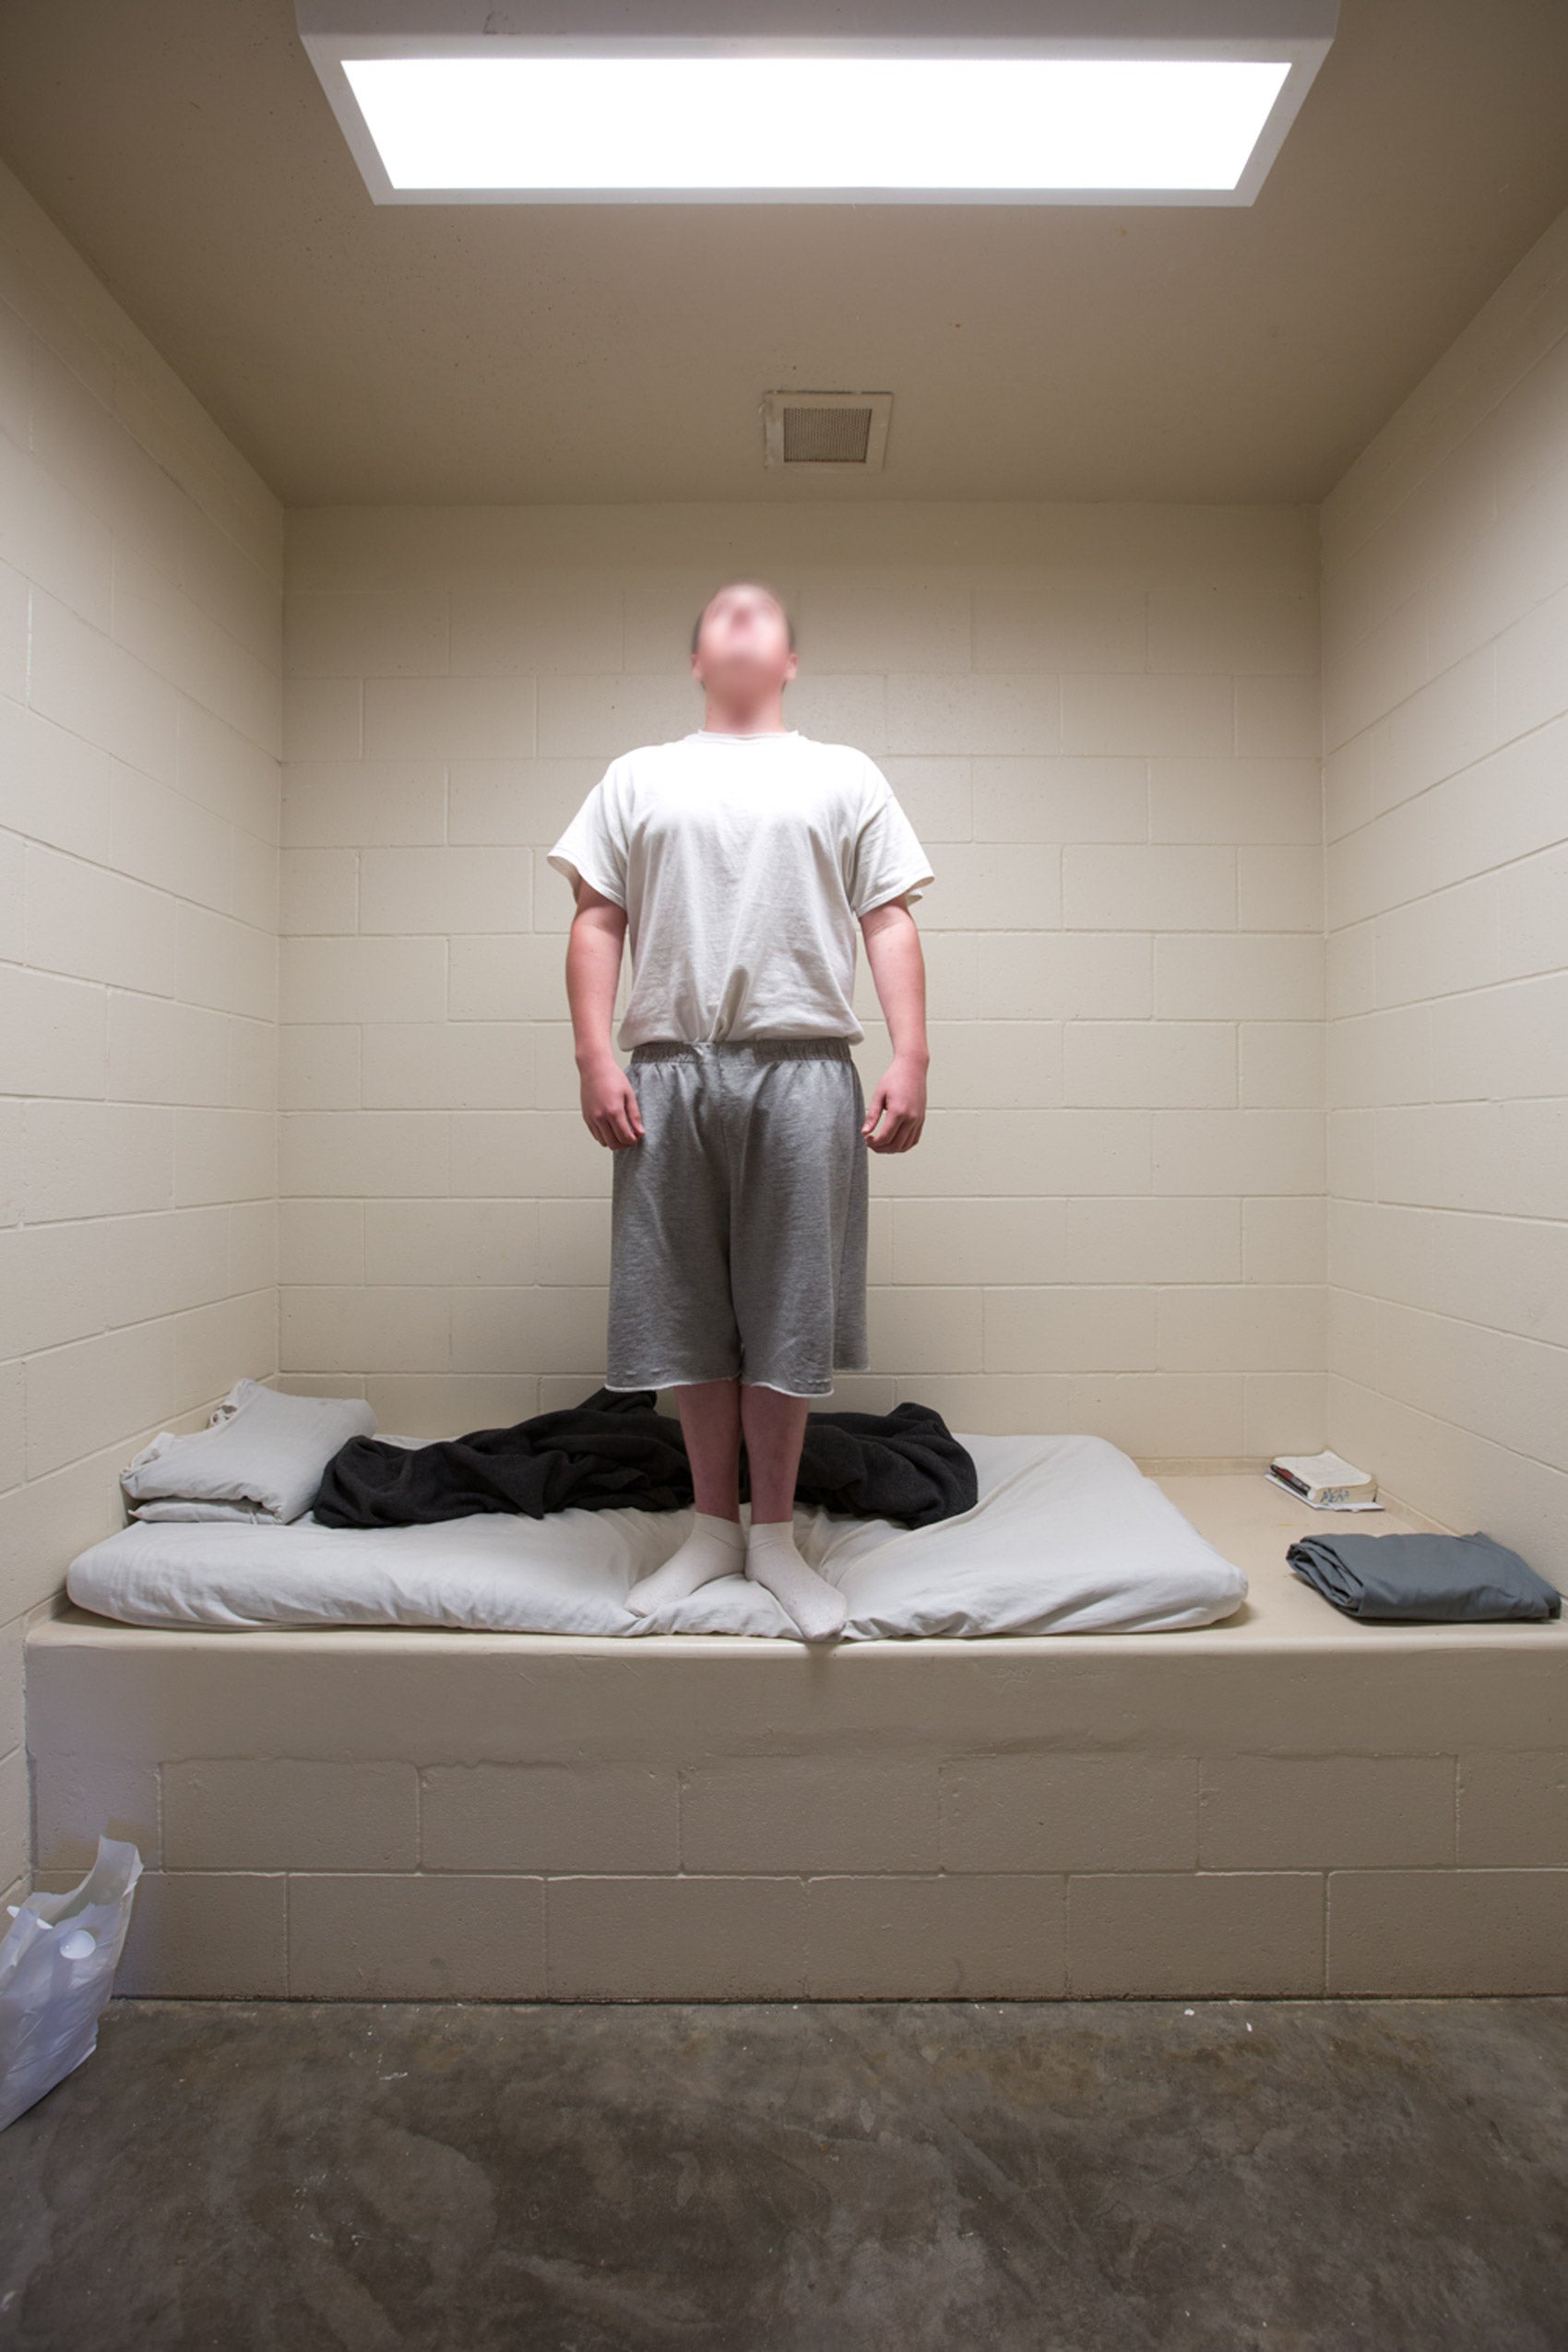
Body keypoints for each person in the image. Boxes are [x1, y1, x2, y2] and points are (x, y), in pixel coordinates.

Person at [547, 579, 933, 1641]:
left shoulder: (840, 773)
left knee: (785, 1305)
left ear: (789, 660)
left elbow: (887, 917)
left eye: (761, 611)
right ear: (695, 659)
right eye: (720, 611)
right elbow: (596, 918)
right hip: (668, 1067)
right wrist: (593, 1054)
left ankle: (774, 1536)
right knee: (685, 1308)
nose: (740, 618)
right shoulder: (639, 776)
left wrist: (913, 1053)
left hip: (803, 1063)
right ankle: (710, 1527)